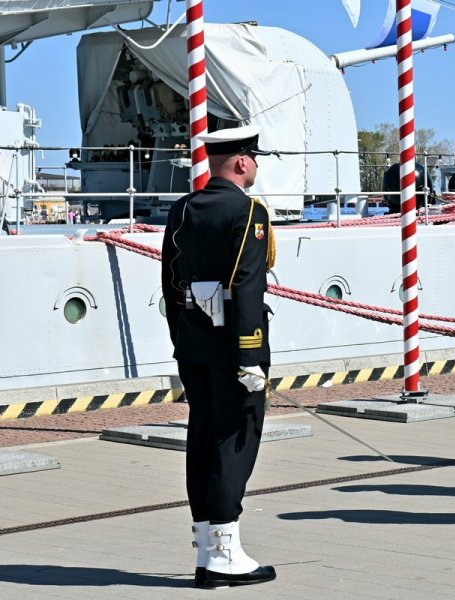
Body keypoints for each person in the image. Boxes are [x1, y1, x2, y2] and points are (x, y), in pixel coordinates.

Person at [161, 125, 277, 589]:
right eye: (255, 159)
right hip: (235, 351)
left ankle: (208, 549)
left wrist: (183, 344)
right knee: (234, 442)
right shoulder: (248, 211)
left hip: (194, 347)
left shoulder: (182, 209)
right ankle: (226, 553)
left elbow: (171, 285)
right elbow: (246, 286)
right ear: (243, 162)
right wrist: (250, 357)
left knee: (203, 440)